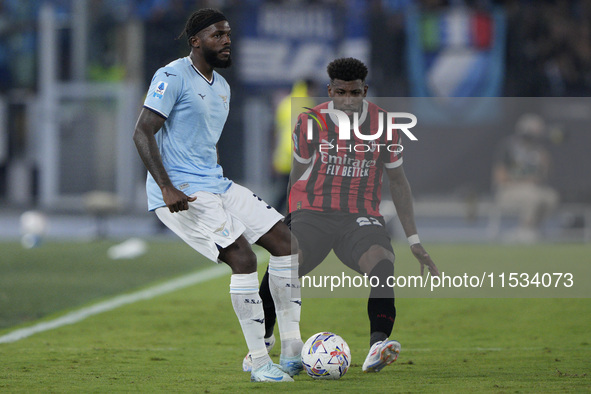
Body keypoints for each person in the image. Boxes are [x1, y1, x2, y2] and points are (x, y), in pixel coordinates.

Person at [132, 8, 303, 383]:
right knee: (243, 258)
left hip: (215, 184)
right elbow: (142, 132)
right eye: (217, 35)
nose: (227, 41)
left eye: (228, 34)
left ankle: (292, 349)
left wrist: (220, 184)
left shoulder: (222, 87)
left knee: (286, 244)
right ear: (196, 41)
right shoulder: (171, 76)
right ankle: (259, 362)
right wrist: (166, 186)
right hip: (182, 193)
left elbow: (205, 145)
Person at [243, 57, 440, 374]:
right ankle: (263, 341)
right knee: (285, 262)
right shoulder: (309, 122)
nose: (348, 100)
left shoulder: (384, 125)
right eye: (340, 92)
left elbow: (398, 182)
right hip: (314, 211)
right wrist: (289, 221)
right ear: (329, 91)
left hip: (359, 215)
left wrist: (414, 239)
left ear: (365, 90)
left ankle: (378, 345)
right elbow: (297, 176)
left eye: (354, 93)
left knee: (381, 260)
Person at [492, 113, 559, 243]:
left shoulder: (538, 150)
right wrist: (524, 181)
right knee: (532, 196)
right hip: (508, 189)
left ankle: (533, 228)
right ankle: (524, 230)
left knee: (551, 197)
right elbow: (500, 177)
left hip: (532, 188)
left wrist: (546, 163)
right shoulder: (508, 147)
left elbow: (543, 177)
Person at [272, 79, 316, 213]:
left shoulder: (285, 103)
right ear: (309, 89)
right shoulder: (309, 105)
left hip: (284, 155)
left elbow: (277, 130)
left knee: (286, 190)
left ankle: (273, 216)